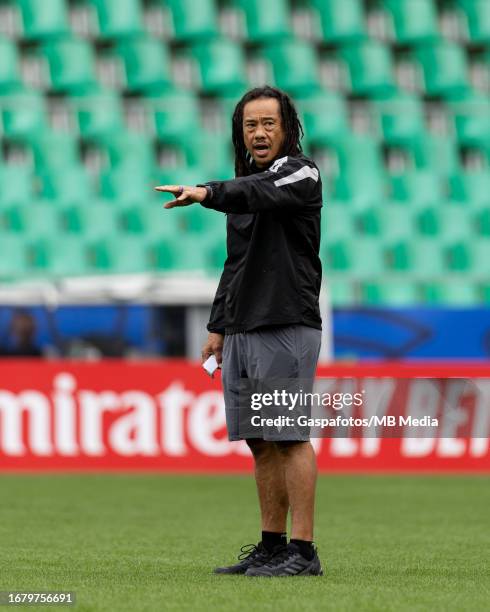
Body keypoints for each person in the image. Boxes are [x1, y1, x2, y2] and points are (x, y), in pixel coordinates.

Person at [155, 86, 323, 577]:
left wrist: (207, 191)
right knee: (259, 440)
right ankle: (271, 546)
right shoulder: (248, 184)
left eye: (269, 123)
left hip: (285, 323)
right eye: (251, 125)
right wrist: (218, 325)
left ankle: (304, 551)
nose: (260, 133)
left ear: (287, 128)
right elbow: (238, 262)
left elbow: (255, 192)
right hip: (244, 326)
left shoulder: (301, 172)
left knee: (289, 437)